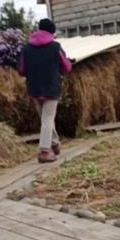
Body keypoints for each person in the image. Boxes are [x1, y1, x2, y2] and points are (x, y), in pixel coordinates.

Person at [18, 18, 73, 163]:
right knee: (48, 119)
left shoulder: (26, 48)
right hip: (51, 88)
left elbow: (21, 70)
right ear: (52, 32)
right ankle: (44, 151)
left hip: (34, 88)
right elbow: (67, 67)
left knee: (45, 118)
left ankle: (54, 143)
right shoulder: (55, 47)